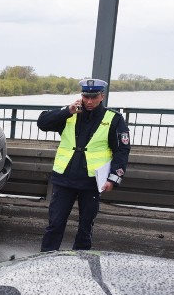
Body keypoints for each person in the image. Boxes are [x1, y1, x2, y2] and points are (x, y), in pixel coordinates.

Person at [37, 78, 131, 251]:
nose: (89, 101)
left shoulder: (114, 119)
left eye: (93, 97)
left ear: (101, 96)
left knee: (85, 228)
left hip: (91, 182)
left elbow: (121, 151)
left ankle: (82, 263)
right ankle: (46, 261)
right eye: (86, 96)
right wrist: (67, 110)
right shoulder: (70, 115)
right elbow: (42, 123)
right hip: (64, 180)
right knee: (55, 225)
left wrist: (114, 178)